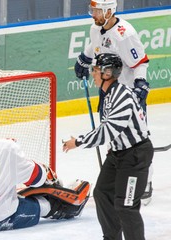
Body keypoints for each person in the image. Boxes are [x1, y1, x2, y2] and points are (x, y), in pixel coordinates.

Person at [65, 53, 153, 240]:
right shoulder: (108, 94)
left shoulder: (122, 96)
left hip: (135, 156)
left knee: (126, 206)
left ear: (107, 73)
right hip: (118, 155)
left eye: (95, 70)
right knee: (102, 193)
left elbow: (108, 131)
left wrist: (78, 141)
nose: (92, 74)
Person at [74, 0, 153, 204]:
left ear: (109, 11)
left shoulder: (125, 34)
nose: (93, 14)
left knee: (136, 137)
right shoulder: (96, 27)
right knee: (111, 133)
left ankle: (145, 183)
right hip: (108, 92)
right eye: (92, 10)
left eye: (97, 11)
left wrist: (141, 84)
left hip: (128, 96)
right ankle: (117, 172)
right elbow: (96, 44)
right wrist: (84, 57)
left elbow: (141, 62)